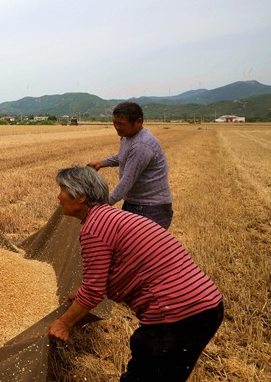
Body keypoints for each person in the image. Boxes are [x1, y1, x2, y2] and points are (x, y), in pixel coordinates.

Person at [47, 166, 223, 382]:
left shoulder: (93, 229)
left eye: (62, 189)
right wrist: (82, 293)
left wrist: (63, 323)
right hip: (205, 305)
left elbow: (94, 291)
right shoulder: (111, 218)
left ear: (81, 196)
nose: (58, 195)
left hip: (176, 316)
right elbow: (100, 279)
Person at [88, 101, 174, 229]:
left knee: (142, 248)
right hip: (134, 204)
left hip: (151, 209)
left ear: (138, 122)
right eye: (114, 123)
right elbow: (123, 157)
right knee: (129, 247)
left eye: (121, 124)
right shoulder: (127, 136)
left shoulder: (142, 145)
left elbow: (126, 182)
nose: (117, 127)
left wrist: (104, 205)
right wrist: (102, 163)